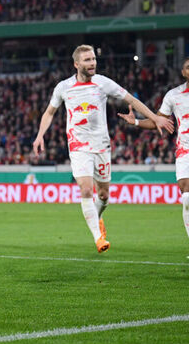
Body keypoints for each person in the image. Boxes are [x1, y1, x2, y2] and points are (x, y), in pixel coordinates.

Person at [33, 45, 173, 253]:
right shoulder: (63, 87)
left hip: (101, 145)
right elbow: (49, 113)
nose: (92, 63)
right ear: (76, 64)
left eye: (93, 59)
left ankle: (97, 217)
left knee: (104, 195)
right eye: (87, 60)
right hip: (78, 145)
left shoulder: (103, 83)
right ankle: (98, 238)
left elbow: (131, 100)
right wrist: (39, 135)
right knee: (86, 189)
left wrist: (155, 118)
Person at [118, 56, 189, 246]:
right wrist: (136, 122)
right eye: (188, 67)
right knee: (187, 195)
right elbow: (158, 121)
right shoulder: (174, 95)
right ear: (183, 72)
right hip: (185, 149)